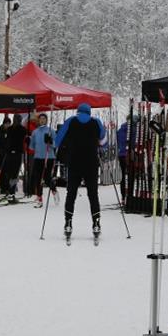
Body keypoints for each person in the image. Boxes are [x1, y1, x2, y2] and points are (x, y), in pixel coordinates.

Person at [56, 102, 106, 242]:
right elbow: (103, 141)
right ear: (89, 112)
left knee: (71, 193)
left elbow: (58, 140)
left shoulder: (70, 121)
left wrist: (53, 143)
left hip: (74, 163)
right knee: (93, 194)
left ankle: (68, 223)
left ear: (78, 111)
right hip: (91, 163)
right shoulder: (96, 122)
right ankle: (96, 223)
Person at [27, 113, 57, 203]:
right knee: (38, 178)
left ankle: (54, 190)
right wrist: (28, 141)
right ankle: (39, 196)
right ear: (38, 120)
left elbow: (56, 145)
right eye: (41, 119)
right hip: (38, 157)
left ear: (46, 120)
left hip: (49, 157)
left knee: (47, 178)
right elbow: (32, 147)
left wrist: (50, 141)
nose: (42, 120)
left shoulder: (50, 131)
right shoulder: (35, 132)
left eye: (44, 119)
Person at [2, 114, 28, 200]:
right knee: (9, 172)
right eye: (15, 119)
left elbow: (27, 136)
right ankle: (9, 189)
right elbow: (6, 140)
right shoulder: (10, 129)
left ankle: (12, 191)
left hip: (18, 153)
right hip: (9, 153)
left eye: (18, 119)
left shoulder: (23, 129)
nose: (16, 121)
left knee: (14, 173)